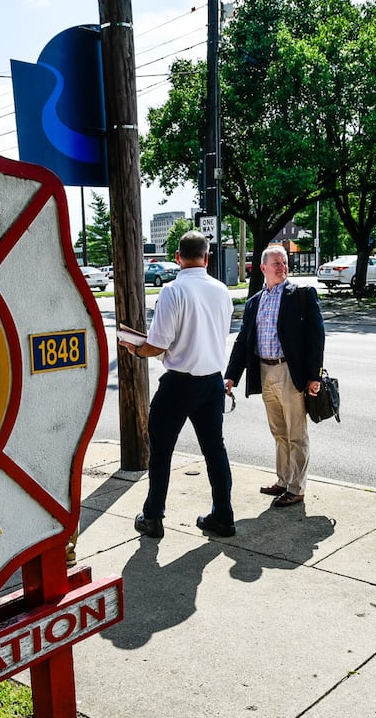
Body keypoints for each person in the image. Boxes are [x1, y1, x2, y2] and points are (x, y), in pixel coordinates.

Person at [120, 230, 236, 539]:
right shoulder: (222, 291)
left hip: (178, 384)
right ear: (207, 258)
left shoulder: (173, 290)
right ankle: (223, 515)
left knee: (161, 451)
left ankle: (153, 516)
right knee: (215, 451)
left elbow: (158, 344)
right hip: (212, 381)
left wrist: (135, 348)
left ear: (177, 258)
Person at [224, 244, 325, 508]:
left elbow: (316, 337)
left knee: (296, 434)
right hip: (264, 371)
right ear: (263, 268)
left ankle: (296, 487)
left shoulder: (300, 294)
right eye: (276, 263)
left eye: (284, 262)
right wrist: (231, 376)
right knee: (279, 431)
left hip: (289, 372)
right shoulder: (255, 302)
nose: (282, 267)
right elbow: (243, 340)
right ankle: (283, 481)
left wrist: (314, 375)